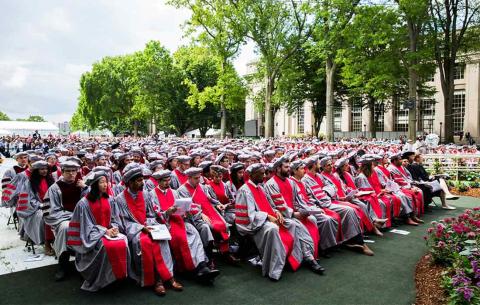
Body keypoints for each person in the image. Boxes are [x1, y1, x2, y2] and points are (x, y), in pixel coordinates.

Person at [235, 163, 324, 281]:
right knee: (272, 228)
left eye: (264, 173)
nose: (264, 176)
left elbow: (269, 205)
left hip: (268, 218)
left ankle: (296, 259)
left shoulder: (260, 187)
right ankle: (274, 270)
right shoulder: (244, 191)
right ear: (252, 175)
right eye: (261, 174)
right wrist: (267, 216)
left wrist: (275, 212)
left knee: (292, 224)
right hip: (256, 224)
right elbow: (249, 215)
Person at [115, 164, 183, 296]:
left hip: (149, 225)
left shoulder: (145, 194)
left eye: (143, 179)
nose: (143, 183)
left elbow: (151, 214)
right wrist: (141, 228)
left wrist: (151, 225)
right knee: (145, 243)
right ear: (130, 182)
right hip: (135, 231)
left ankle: (169, 276)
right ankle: (156, 280)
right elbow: (123, 222)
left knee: (162, 240)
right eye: (139, 180)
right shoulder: (120, 200)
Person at [148, 170, 219, 284]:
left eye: (168, 180)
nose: (167, 183)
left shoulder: (174, 192)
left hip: (180, 220)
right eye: (164, 181)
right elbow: (154, 213)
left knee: (194, 234)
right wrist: (168, 212)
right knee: (181, 238)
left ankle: (202, 265)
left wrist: (184, 211)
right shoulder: (152, 194)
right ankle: (192, 270)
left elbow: (184, 206)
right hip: (165, 224)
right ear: (158, 181)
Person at [67, 171, 131, 291]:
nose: (105, 184)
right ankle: (103, 279)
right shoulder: (83, 204)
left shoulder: (110, 200)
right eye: (101, 182)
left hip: (109, 231)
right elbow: (85, 227)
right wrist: (104, 231)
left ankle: (119, 276)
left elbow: (114, 218)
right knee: (105, 246)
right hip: (92, 235)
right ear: (95, 184)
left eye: (106, 182)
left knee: (123, 240)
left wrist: (115, 227)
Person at [177, 167, 238, 266]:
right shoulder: (182, 190)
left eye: (199, 177)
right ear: (189, 178)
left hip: (209, 211)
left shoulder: (202, 186)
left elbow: (209, 199)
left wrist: (217, 204)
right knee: (206, 228)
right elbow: (187, 207)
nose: (198, 180)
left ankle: (226, 252)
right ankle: (210, 258)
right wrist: (200, 214)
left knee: (223, 224)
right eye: (196, 178)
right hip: (194, 216)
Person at [44, 160, 88, 281]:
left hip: (84, 216)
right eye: (68, 171)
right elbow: (51, 210)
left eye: (74, 171)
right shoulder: (55, 188)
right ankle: (63, 264)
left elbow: (94, 200)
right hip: (63, 218)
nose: (71, 174)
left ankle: (86, 264)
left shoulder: (82, 184)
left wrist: (85, 188)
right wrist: (72, 216)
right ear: (62, 172)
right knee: (65, 228)